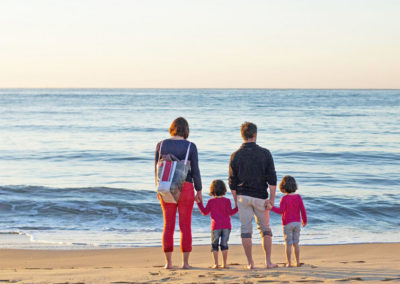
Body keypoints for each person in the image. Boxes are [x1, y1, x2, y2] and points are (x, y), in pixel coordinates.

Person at [155, 117, 203, 269]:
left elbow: (156, 169)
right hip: (186, 187)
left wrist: (158, 187)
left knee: (168, 225)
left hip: (166, 185)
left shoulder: (161, 145)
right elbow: (195, 170)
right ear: (186, 130)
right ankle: (185, 263)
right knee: (185, 226)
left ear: (172, 128)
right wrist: (199, 190)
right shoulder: (190, 146)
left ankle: (168, 263)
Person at [228, 121, 277, 269]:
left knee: (246, 230)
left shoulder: (235, 155)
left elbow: (232, 182)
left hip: (243, 196)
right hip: (260, 196)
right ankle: (268, 261)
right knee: (265, 229)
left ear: (242, 135)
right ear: (255, 135)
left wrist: (236, 200)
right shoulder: (265, 153)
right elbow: (272, 179)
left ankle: (250, 263)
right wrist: (272, 199)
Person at [267, 175, 307, 267]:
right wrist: (304, 220)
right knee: (296, 243)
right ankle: (297, 262)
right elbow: (303, 210)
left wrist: (271, 208)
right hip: (297, 223)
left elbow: (280, 211)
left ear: (283, 187)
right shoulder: (298, 197)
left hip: (287, 223)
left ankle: (289, 263)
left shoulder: (284, 198)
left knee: (288, 244)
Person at [196, 179, 238, 269]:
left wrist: (199, 203)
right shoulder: (227, 201)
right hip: (226, 226)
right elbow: (230, 212)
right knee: (224, 244)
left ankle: (216, 264)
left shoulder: (211, 201)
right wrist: (238, 207)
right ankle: (224, 264)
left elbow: (204, 212)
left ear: (212, 190)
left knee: (214, 245)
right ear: (224, 189)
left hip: (215, 227)